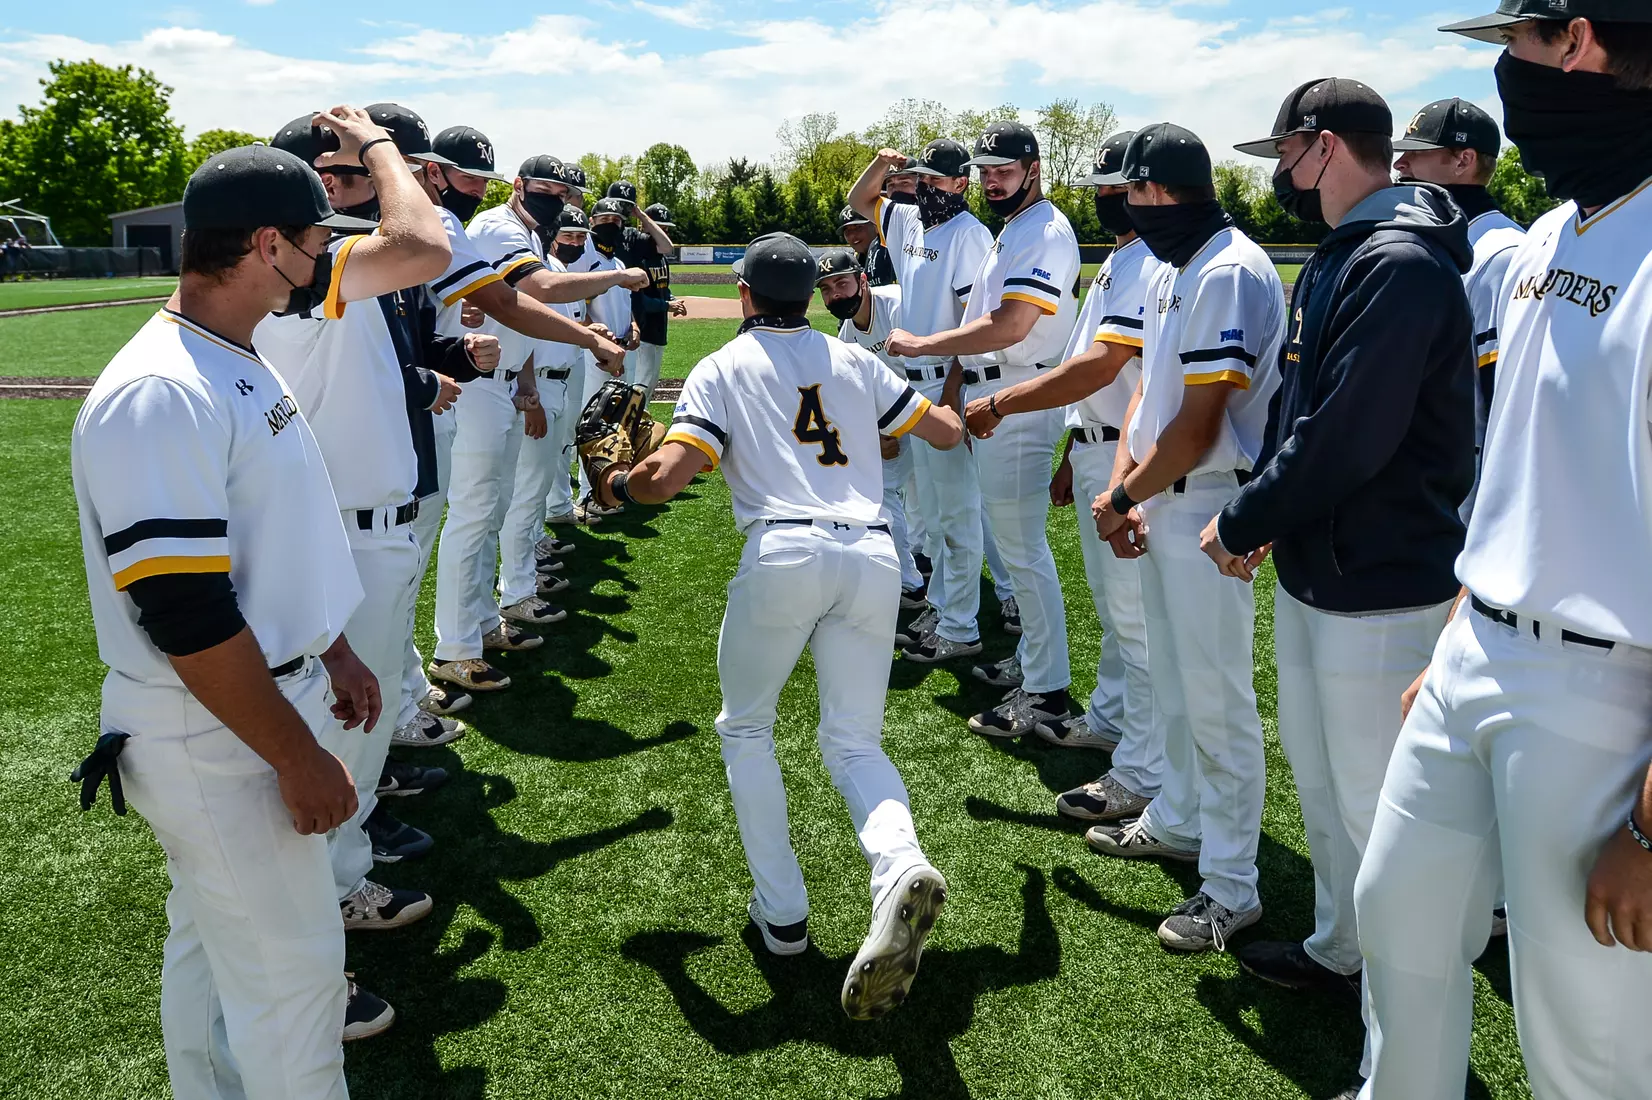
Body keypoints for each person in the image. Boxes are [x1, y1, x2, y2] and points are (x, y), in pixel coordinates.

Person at [1353, 7, 1652, 1098]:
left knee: (1583, 1038)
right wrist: (1452, 634)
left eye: (1515, 39)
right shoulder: (1543, 232)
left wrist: (1649, 829)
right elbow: (1511, 473)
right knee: (1398, 924)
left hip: (1605, 690)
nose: (1499, 68)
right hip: (1475, 646)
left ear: (1574, 43)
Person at [69, 141, 399, 1094]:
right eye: (311, 240)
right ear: (265, 243)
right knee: (293, 988)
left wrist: (332, 645)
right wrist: (295, 755)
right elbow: (184, 611)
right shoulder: (161, 389)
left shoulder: (230, 354)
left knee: (215, 960)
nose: (322, 259)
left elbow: (263, 543)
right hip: (214, 724)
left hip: (244, 701)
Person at [587, 232, 965, 1019]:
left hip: (784, 550)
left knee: (747, 728)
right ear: (810, 294)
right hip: (872, 555)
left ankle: (783, 917)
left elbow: (665, 479)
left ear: (748, 296)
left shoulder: (725, 366)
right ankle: (898, 866)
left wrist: (618, 482)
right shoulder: (855, 360)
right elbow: (944, 432)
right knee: (856, 741)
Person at [1209, 79, 1475, 1014]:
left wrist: (1246, 519)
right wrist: (1268, 516)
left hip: (1385, 584)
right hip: (1325, 569)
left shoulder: (1398, 261)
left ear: (1324, 146)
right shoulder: (1347, 253)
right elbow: (1293, 414)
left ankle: (1401, 1038)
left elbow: (1347, 433)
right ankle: (1340, 951)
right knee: (1323, 787)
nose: (1280, 172)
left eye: (1285, 154)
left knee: (1380, 813)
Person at [252, 106, 461, 958]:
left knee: (360, 729)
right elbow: (428, 243)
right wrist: (378, 149)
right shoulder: (313, 268)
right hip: (344, 530)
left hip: (370, 524)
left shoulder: (327, 264)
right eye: (339, 173)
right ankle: (333, 890)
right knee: (344, 729)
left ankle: (347, 864)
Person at [1084, 123, 1287, 955]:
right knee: (1171, 680)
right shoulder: (1175, 263)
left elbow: (1202, 425)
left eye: (1129, 192)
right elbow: (1147, 397)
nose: (1121, 206)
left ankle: (1234, 885)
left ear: (1158, 192)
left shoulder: (1230, 267)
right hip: (1161, 494)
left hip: (1207, 501)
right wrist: (1122, 488)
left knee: (1218, 699)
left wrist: (1127, 491)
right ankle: (1178, 817)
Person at [961, 131, 1165, 806]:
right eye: (1105, 188)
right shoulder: (1121, 255)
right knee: (1116, 611)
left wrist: (1002, 401)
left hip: (1125, 452)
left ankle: (1144, 769)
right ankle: (1110, 720)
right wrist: (1072, 447)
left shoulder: (1148, 260)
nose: (1110, 199)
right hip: (1094, 440)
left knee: (1134, 619)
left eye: (1123, 187)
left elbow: (1100, 366)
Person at [398, 120, 628, 695]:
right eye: (464, 175)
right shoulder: (492, 226)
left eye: (481, 177)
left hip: (495, 378)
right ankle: (454, 647)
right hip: (466, 381)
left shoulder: (505, 230)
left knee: (486, 513)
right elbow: (517, 299)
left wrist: (524, 382)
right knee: (471, 516)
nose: (472, 187)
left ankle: (476, 626)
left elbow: (504, 313)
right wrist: (592, 336)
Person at [886, 122, 1081, 735]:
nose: (993, 180)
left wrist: (925, 342)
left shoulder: (1044, 229)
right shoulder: (1014, 229)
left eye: (1004, 170)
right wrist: (954, 388)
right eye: (986, 171)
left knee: (1022, 551)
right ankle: (1033, 665)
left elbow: (1012, 325)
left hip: (1016, 390)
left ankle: (1047, 691)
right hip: (988, 387)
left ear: (1034, 168)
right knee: (1012, 544)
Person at [849, 139, 995, 666]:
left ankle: (961, 626)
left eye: (938, 178)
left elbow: (971, 328)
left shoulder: (972, 236)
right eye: (922, 177)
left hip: (945, 382)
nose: (927, 185)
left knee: (957, 514)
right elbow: (860, 198)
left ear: (961, 182)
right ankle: (943, 605)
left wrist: (954, 394)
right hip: (913, 379)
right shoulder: (908, 219)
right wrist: (885, 165)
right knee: (932, 515)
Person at [1393, 96, 1527, 521]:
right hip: (1423, 490)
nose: (1401, 166)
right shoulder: (1445, 243)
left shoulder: (1501, 254)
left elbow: (1503, 408)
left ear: (1463, 160)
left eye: (1417, 153)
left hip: (1467, 509)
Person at [816, 246, 927, 598]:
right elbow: (854, 393)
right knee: (886, 488)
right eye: (826, 289)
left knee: (941, 500)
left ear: (862, 280)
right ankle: (910, 578)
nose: (835, 294)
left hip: (931, 407)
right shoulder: (846, 336)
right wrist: (876, 432)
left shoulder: (897, 304)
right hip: (894, 420)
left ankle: (921, 566)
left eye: (841, 284)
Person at [573, 195, 644, 518]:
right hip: (596, 355)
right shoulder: (588, 261)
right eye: (604, 221)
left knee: (616, 424)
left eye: (616, 222)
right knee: (592, 425)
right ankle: (588, 494)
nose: (611, 226)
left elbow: (624, 306)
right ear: (591, 223)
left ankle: (607, 489)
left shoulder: (616, 265)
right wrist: (596, 338)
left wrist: (632, 327)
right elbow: (577, 307)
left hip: (620, 351)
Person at [606, 180, 678, 398]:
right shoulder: (595, 236)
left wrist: (639, 213)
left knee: (636, 391)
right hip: (616, 319)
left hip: (637, 322)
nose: (621, 210)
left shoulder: (632, 237)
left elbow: (666, 247)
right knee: (622, 391)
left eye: (626, 205)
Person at [838, 204, 898, 287]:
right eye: (847, 231)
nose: (852, 235)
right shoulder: (855, 262)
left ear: (875, 225)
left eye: (858, 227)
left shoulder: (893, 251)